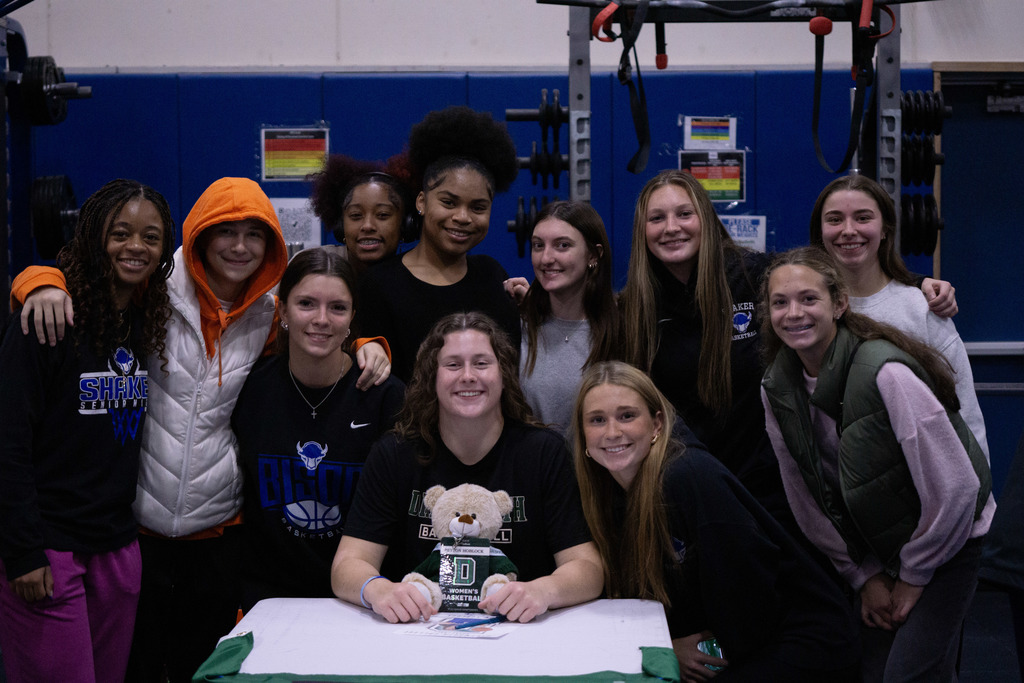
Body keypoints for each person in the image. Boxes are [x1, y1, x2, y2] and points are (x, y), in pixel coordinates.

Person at [9, 177, 392, 682]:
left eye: (253, 234)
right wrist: (37, 280)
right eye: (224, 231)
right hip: (136, 525)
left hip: (216, 530)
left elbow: (319, 324)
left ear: (272, 245)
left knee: (200, 669)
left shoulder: (268, 314)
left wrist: (367, 342)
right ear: (199, 235)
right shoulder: (154, 292)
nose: (238, 246)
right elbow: (89, 280)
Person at [618, 169, 957, 520]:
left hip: (770, 485)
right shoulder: (633, 308)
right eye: (657, 218)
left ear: (704, 217)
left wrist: (915, 282)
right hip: (687, 485)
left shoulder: (752, 274)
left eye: (684, 214)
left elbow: (822, 276)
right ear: (642, 230)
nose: (671, 227)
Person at [759, 246, 995, 682]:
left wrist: (914, 574)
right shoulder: (778, 386)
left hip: (950, 539)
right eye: (780, 302)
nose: (794, 313)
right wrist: (863, 576)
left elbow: (958, 488)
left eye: (809, 299)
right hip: (880, 547)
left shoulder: (886, 373)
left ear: (839, 303)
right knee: (877, 671)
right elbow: (805, 495)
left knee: (906, 675)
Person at [572, 360, 861, 681]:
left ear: (656, 424)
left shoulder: (687, 478)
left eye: (627, 416)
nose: (612, 432)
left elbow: (749, 601)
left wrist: (668, 649)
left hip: (799, 641)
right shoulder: (604, 494)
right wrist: (665, 645)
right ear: (582, 433)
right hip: (729, 639)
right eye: (597, 420)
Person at [0, 179, 175, 682]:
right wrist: (22, 551)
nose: (136, 247)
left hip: (118, 549)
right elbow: (7, 443)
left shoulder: (145, 319)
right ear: (94, 235)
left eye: (151, 236)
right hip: (50, 549)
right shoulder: (46, 317)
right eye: (121, 233)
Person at [331, 312, 603, 624]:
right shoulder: (394, 454)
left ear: (504, 375)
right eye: (453, 364)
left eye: (482, 363)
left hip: (520, 633)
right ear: (432, 377)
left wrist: (545, 590)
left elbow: (588, 568)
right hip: (416, 632)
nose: (468, 375)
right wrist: (377, 590)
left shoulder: (543, 453)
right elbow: (347, 564)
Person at [232, 247, 404, 611]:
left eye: (337, 308)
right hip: (268, 597)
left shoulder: (384, 396)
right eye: (307, 304)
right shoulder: (249, 388)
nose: (322, 319)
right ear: (282, 312)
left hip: (363, 598)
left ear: (352, 317)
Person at [809, 173, 988, 458]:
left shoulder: (922, 308)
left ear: (884, 230)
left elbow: (964, 410)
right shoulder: (808, 312)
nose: (849, 230)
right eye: (834, 219)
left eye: (863, 218)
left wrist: (978, 496)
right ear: (820, 232)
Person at [356, 106, 522, 382]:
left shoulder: (493, 277)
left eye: (478, 207)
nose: (462, 217)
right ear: (422, 201)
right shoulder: (380, 284)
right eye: (449, 202)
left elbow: (510, 375)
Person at [504, 200, 618, 434]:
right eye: (538, 245)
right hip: (534, 466)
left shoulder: (621, 330)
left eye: (562, 245)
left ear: (593, 255)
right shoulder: (517, 325)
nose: (546, 258)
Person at [309, 153, 417, 279]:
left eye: (382, 215)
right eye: (356, 215)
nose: (367, 226)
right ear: (341, 225)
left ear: (406, 224)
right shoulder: (311, 268)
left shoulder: (416, 279)